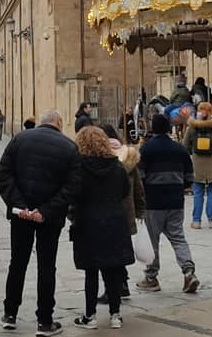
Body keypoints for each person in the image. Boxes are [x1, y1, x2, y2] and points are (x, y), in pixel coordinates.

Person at [0, 110, 81, 336]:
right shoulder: (69, 147)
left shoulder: (20, 139)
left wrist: (20, 206)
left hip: (20, 215)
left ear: (40, 123)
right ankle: (44, 321)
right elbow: (72, 187)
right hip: (50, 218)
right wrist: (45, 211)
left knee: (18, 262)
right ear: (59, 123)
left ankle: (10, 314)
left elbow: (3, 175)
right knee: (46, 266)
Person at [70, 126, 134, 330]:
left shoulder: (79, 168)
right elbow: (125, 191)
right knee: (113, 270)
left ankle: (90, 316)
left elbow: (73, 195)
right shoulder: (117, 167)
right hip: (114, 221)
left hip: (88, 222)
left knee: (91, 271)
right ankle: (115, 315)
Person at [135, 114, 200, 294]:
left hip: (153, 202)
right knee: (178, 238)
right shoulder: (179, 149)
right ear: (168, 128)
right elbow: (189, 177)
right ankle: (189, 272)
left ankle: (151, 277)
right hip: (175, 201)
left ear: (153, 128)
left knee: (152, 241)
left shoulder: (146, 149)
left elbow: (140, 177)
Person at [97, 124, 145, 303]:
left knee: (108, 252)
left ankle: (113, 289)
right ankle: (122, 284)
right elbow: (139, 188)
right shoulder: (129, 156)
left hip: (106, 212)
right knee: (119, 248)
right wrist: (140, 210)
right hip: (127, 211)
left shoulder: (101, 158)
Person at [182, 103, 212, 229]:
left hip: (197, 164)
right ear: (211, 112)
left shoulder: (191, 127)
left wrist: (193, 152)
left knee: (198, 193)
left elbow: (184, 146)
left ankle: (196, 221)